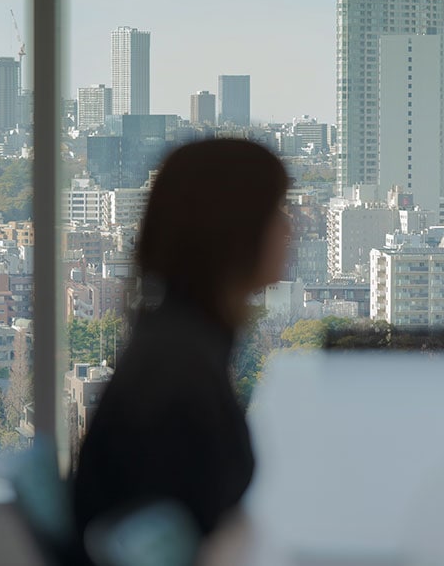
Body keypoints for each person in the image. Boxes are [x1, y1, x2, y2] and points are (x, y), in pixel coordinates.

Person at [72, 138, 291, 544]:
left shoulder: (175, 339)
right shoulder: (180, 370)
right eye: (274, 210)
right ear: (231, 231)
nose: (289, 226)